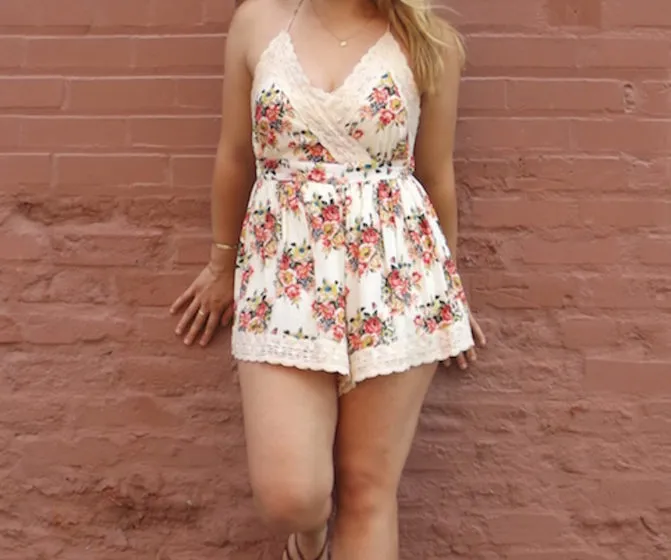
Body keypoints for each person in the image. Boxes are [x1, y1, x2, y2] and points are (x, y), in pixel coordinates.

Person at [170, 0, 486, 557]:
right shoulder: (259, 23)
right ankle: (309, 538)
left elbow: (437, 174)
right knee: (291, 496)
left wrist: (448, 293)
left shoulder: (428, 40)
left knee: (368, 489)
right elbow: (235, 155)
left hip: (396, 275)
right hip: (284, 275)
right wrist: (222, 263)